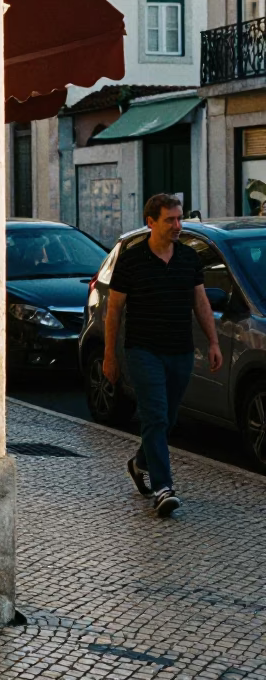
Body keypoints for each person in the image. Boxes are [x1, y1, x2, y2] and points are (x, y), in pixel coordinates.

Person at [102, 193, 223, 517]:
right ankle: (163, 488)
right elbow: (113, 311)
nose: (177, 225)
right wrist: (109, 356)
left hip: (180, 351)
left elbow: (200, 302)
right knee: (155, 416)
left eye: (180, 218)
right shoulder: (131, 260)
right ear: (151, 222)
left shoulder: (188, 258)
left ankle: (140, 462)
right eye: (170, 220)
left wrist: (213, 342)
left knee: (167, 419)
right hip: (143, 351)